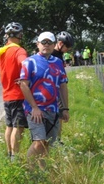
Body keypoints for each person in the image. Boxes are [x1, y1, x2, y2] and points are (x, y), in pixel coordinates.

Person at [19, 31, 69, 166]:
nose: (46, 45)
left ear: (54, 45)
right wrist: (34, 108)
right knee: (39, 141)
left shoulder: (58, 62)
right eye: (43, 42)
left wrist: (65, 108)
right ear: (38, 44)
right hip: (34, 109)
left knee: (47, 143)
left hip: (53, 108)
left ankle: (42, 172)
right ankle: (27, 169)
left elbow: (63, 85)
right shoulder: (29, 62)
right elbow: (24, 85)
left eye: (49, 42)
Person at [0, 22, 29, 161]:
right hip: (18, 94)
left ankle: (9, 154)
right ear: (20, 35)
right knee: (18, 127)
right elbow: (25, 63)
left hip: (6, 94)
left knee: (9, 126)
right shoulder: (19, 51)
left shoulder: (2, 52)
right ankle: (15, 157)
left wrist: (4, 76)